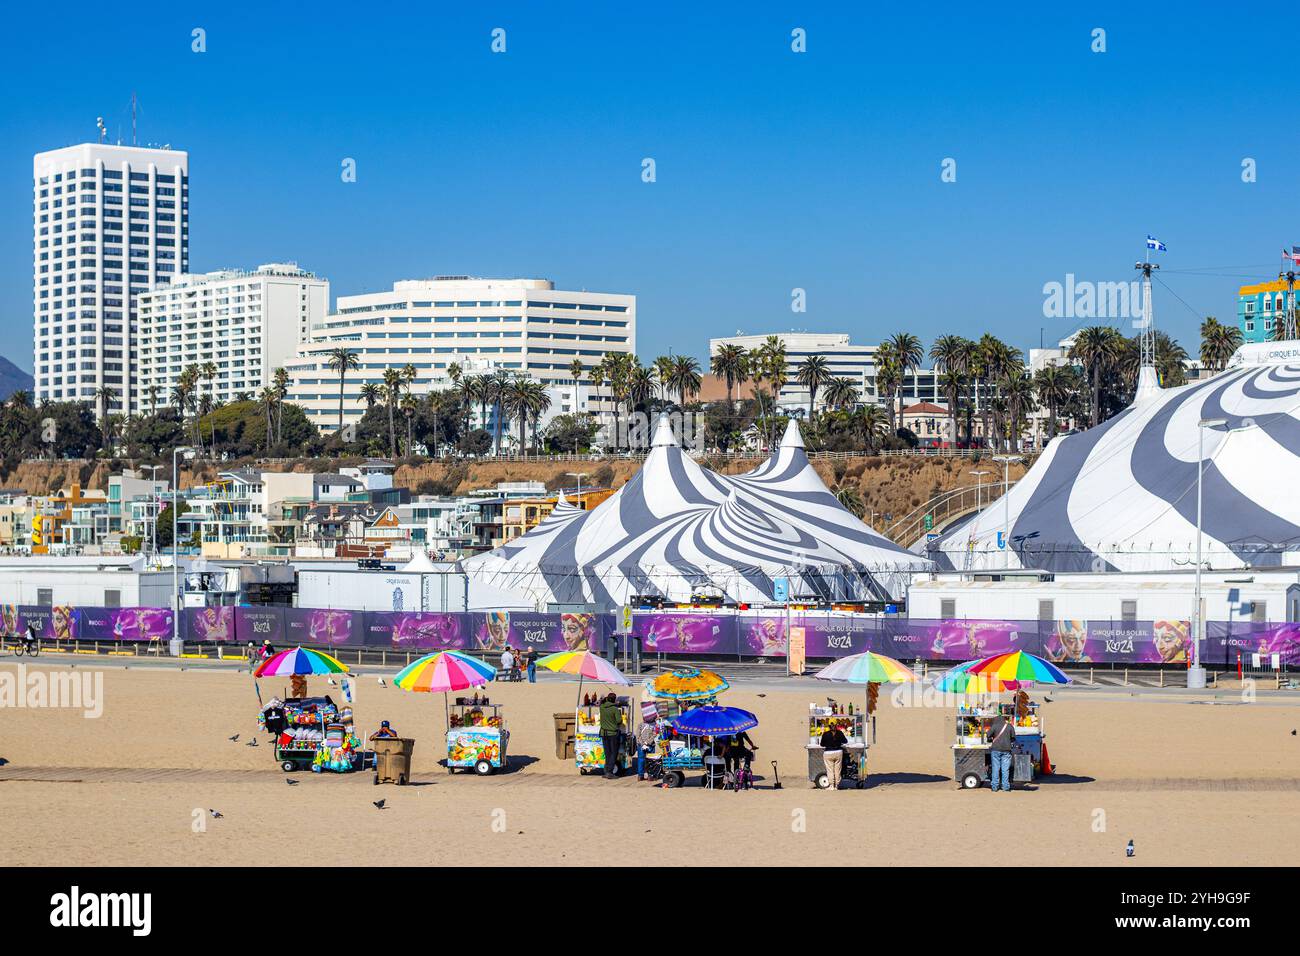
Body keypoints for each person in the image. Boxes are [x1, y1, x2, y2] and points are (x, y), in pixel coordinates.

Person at [987, 712, 1015, 792]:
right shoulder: (1010, 726)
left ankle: (995, 787)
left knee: (995, 768)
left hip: (996, 749)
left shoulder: (994, 726)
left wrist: (992, 738)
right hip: (1007, 750)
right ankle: (1005, 787)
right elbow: (1013, 738)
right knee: (1005, 769)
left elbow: (988, 735)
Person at [598, 692, 623, 779]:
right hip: (613, 733)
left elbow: (601, 701)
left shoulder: (602, 707)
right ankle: (609, 772)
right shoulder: (615, 709)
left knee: (607, 753)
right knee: (613, 753)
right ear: (614, 700)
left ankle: (606, 771)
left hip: (604, 733)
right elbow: (619, 721)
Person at [820, 722, 847, 790]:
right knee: (837, 770)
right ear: (836, 726)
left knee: (830, 770)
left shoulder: (825, 734)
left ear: (829, 727)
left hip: (828, 753)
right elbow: (845, 741)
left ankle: (832, 785)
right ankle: (837, 785)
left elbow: (822, 744)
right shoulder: (840, 733)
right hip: (838, 752)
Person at [635, 713, 660, 781]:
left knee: (641, 760)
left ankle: (640, 776)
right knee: (651, 761)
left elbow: (638, 736)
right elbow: (654, 735)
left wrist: (642, 743)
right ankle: (650, 775)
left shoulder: (640, 725)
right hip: (650, 745)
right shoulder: (654, 725)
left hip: (641, 745)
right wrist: (647, 742)